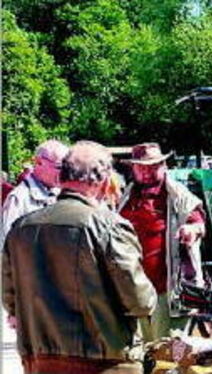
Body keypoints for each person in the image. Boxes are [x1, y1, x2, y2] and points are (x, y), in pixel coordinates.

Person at [2, 141, 157, 374]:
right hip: (105, 362)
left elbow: (9, 296)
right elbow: (140, 300)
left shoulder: (21, 228)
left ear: (62, 178)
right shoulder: (108, 226)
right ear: (103, 181)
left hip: (40, 361)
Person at [118, 142, 205, 340]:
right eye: (142, 167)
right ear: (133, 168)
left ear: (164, 166)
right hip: (135, 289)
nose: (147, 172)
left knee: (173, 348)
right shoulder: (126, 195)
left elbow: (199, 223)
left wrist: (191, 230)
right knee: (143, 349)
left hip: (168, 291)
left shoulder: (178, 195)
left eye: (153, 166)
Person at [0, 140, 69, 245]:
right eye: (59, 167)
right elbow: (6, 243)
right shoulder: (19, 199)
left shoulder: (64, 194)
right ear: (38, 162)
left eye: (67, 167)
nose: (64, 172)